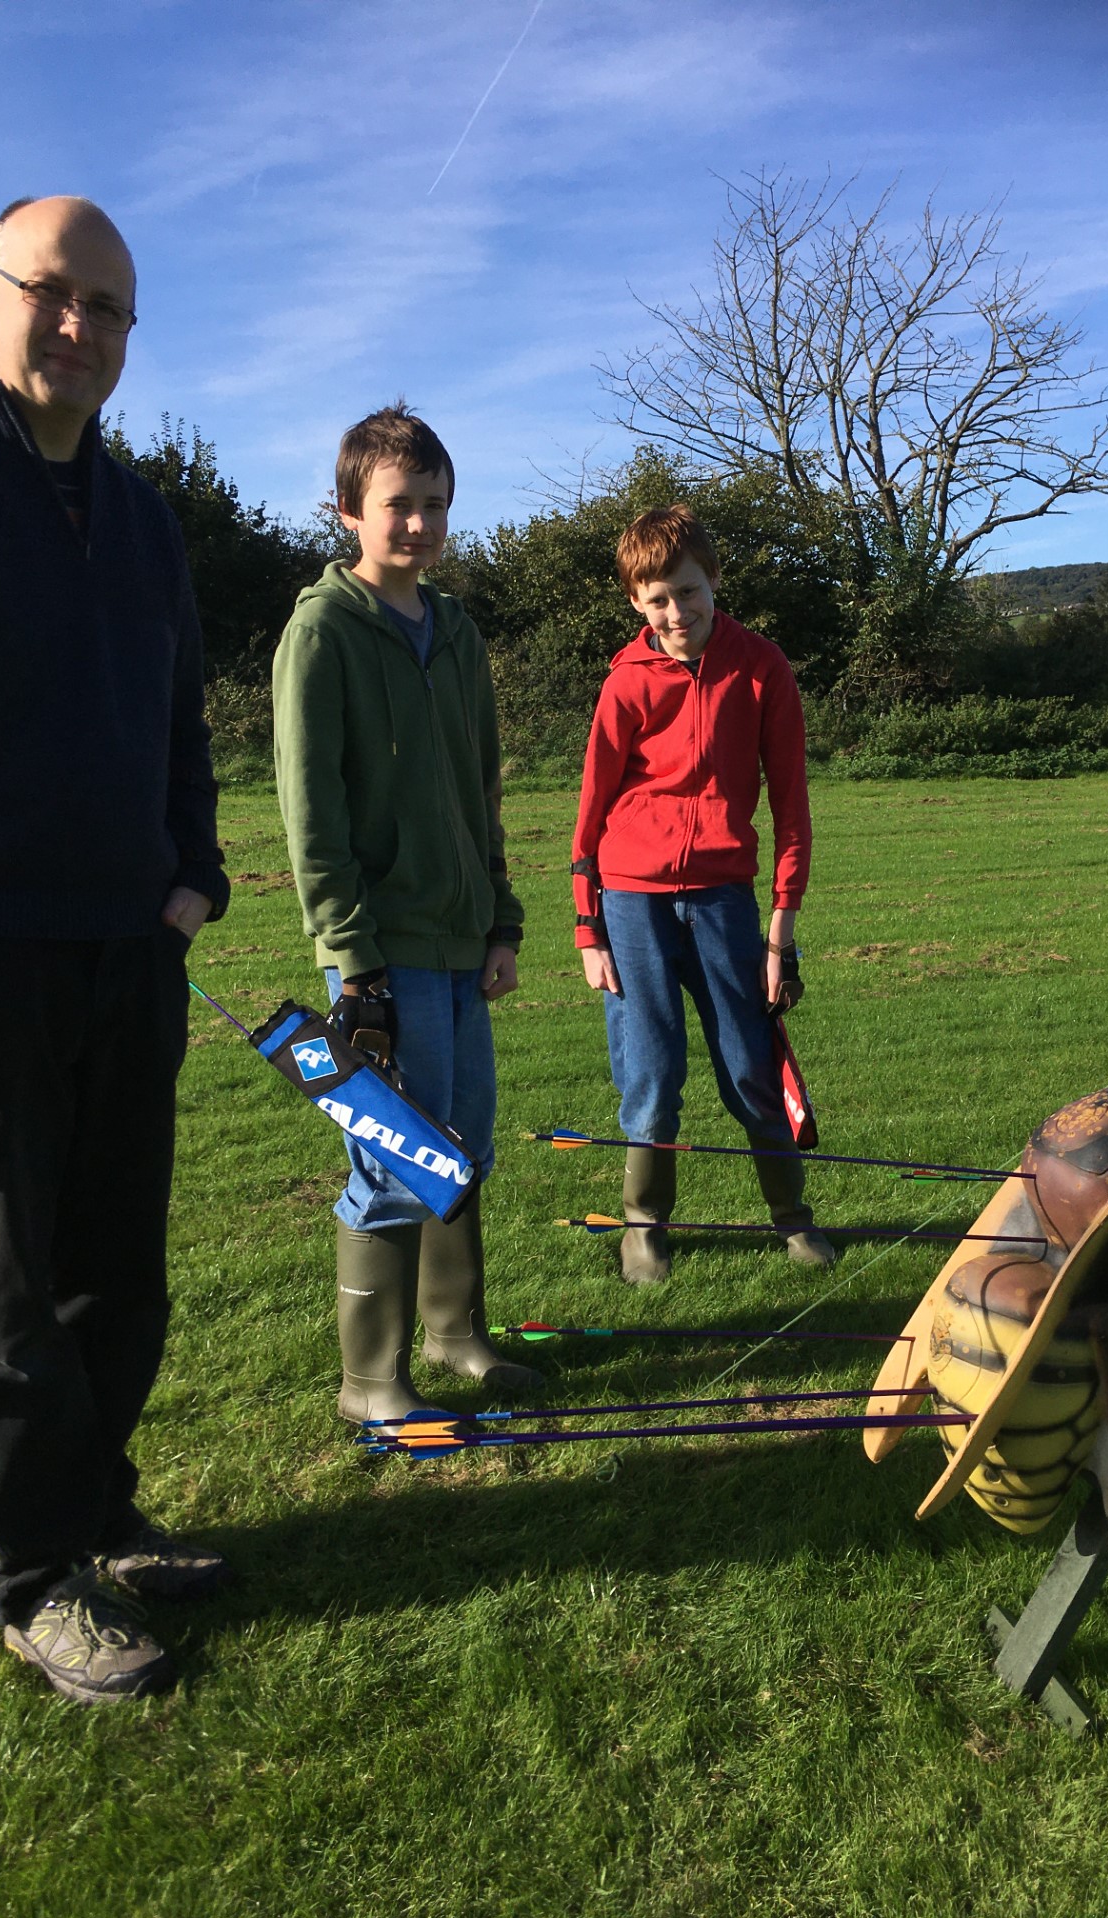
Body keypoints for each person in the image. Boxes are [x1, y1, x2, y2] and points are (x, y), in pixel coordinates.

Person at [0, 197, 231, 1704]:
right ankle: (39, 1578)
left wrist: (192, 880)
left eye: (111, 309)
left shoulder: (145, 515)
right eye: (57, 296)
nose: (83, 330)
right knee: (3, 1288)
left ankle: (99, 1512)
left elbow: (182, 723)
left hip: (132, 952)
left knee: (123, 1270)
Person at [273, 404, 542, 1423]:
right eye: (399, 505)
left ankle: (456, 1335)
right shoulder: (322, 632)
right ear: (350, 512)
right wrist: (352, 957)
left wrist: (502, 922)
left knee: (462, 1142)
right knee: (398, 1157)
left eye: (435, 505)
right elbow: (314, 808)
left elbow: (482, 790)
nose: (419, 524)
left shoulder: (459, 631)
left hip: (462, 938)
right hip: (381, 950)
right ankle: (370, 1382)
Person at [571, 504, 835, 1283]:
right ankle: (644, 1227)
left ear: (714, 581)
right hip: (630, 902)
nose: (676, 613)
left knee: (751, 1070)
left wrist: (780, 938)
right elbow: (588, 814)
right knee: (650, 1079)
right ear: (635, 603)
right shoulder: (625, 683)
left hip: (725, 900)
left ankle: (792, 1218)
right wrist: (590, 933)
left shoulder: (763, 669)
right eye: (657, 600)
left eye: (688, 592)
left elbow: (791, 811)